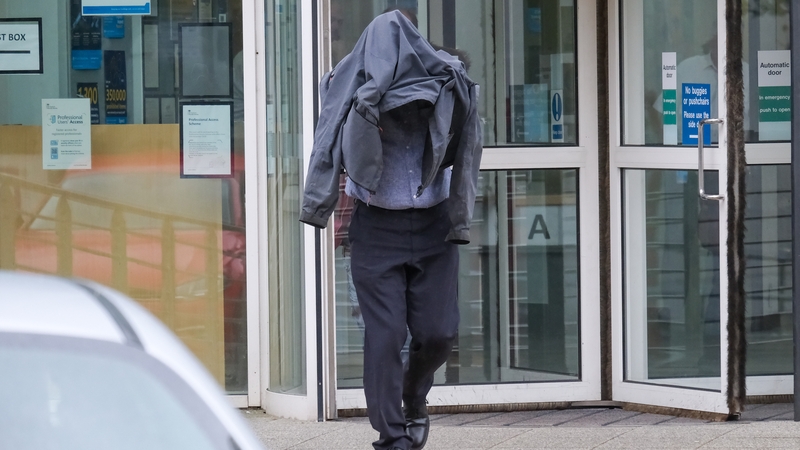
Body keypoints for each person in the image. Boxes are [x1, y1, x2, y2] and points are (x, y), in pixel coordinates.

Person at [300, 9, 482, 450]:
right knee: (384, 336)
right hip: (376, 227)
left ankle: (414, 400)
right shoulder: (346, 83)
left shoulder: (445, 79)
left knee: (439, 333)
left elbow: (469, 142)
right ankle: (392, 436)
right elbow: (327, 140)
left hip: (434, 224)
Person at [652, 36, 750, 143]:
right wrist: (667, 147)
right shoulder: (688, 67)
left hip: (734, 148)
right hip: (688, 148)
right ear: (712, 42)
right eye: (719, 40)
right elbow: (662, 109)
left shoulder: (746, 72)